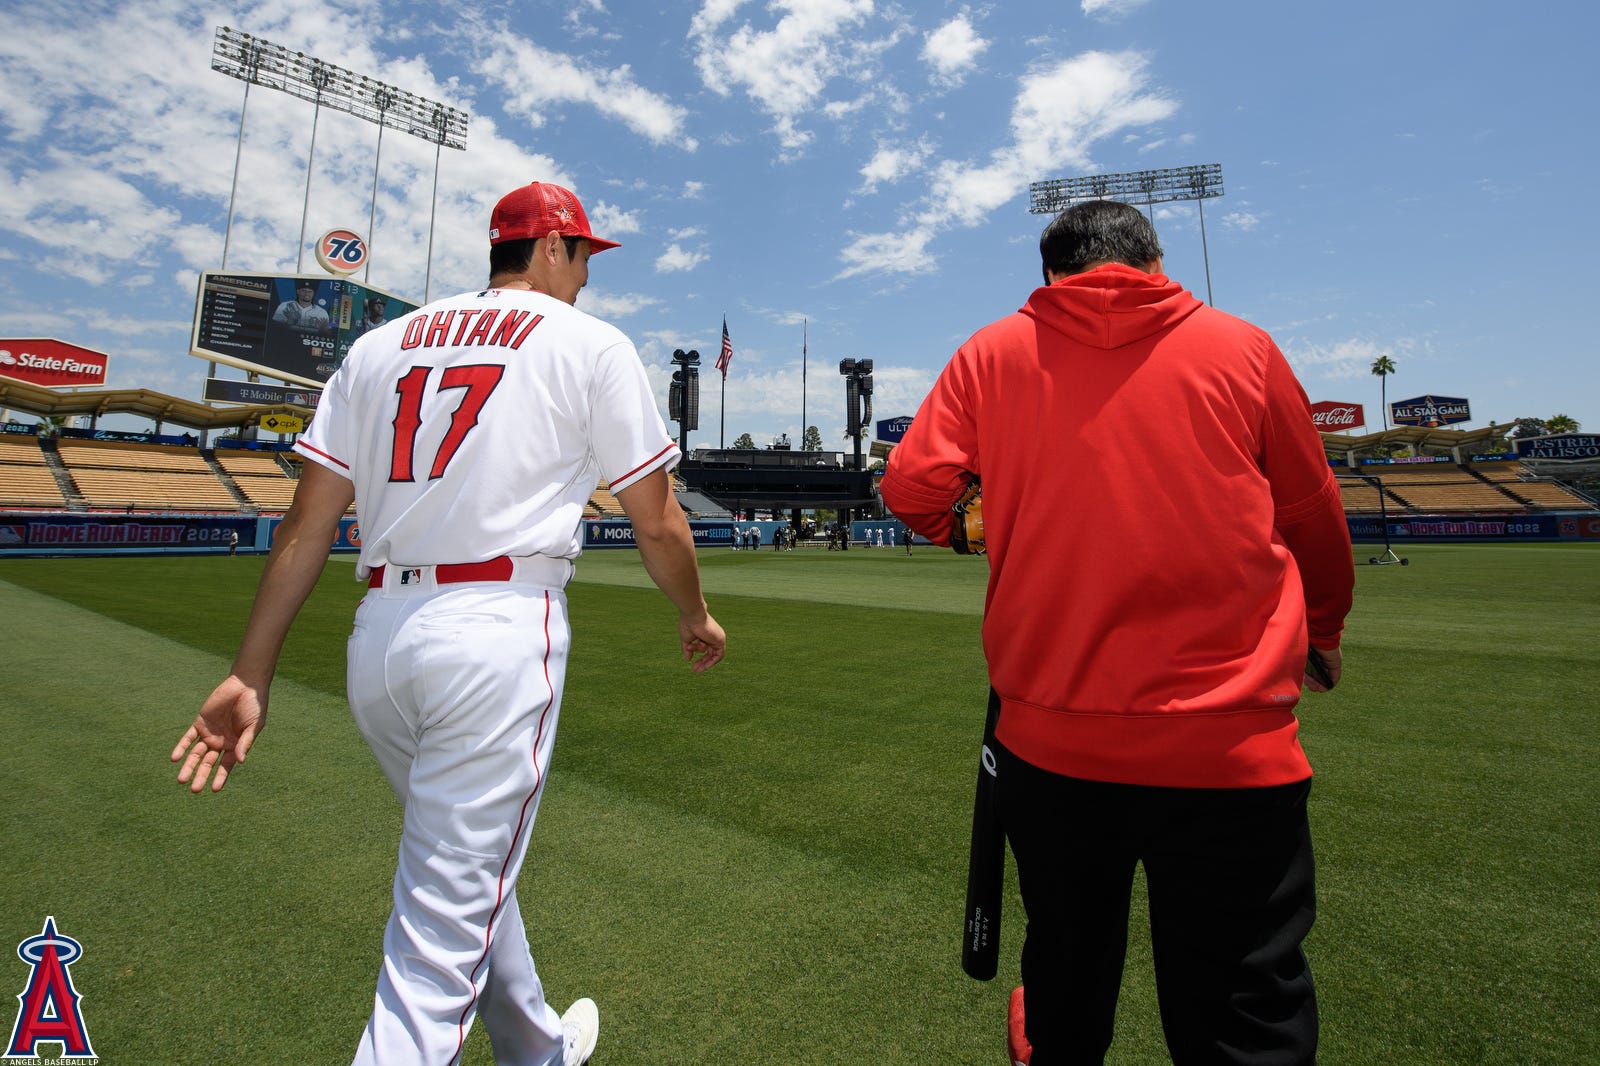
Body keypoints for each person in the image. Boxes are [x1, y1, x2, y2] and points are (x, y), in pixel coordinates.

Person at [172, 180, 727, 1066]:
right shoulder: (588, 342)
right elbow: (656, 517)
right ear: (553, 248)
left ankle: (535, 1046)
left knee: (459, 873)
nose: (587, 277)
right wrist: (694, 613)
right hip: (494, 634)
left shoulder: (380, 343)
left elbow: (306, 525)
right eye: (583, 256)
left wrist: (251, 670)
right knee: (429, 963)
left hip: (381, 641)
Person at [881, 199, 1353, 1066]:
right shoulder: (1241, 346)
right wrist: (1320, 629)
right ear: (1157, 259)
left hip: (1053, 745)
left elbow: (913, 488)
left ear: (1050, 270)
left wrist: (974, 527)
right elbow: (1314, 516)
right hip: (1231, 747)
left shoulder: (992, 351)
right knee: (1246, 1007)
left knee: (1065, 974)